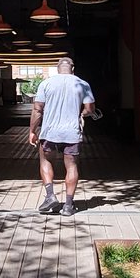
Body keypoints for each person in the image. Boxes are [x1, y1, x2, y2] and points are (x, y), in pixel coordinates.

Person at [28, 56, 96, 215]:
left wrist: (32, 131)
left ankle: (50, 196)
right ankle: (68, 206)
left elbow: (38, 109)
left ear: (57, 69)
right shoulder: (83, 84)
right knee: (71, 166)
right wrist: (82, 114)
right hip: (72, 132)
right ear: (73, 69)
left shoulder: (46, 83)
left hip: (49, 132)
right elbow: (90, 109)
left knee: (46, 160)